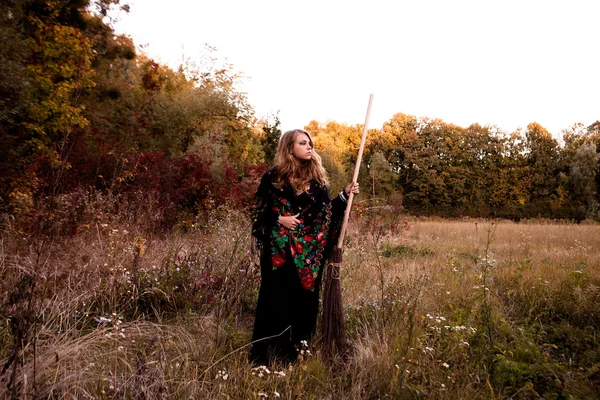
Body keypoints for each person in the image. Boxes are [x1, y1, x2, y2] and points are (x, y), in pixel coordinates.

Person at [249, 128, 359, 365]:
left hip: (308, 258)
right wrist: (280, 220)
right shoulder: (272, 179)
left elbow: (324, 214)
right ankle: (267, 356)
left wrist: (344, 195)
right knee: (274, 300)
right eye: (303, 143)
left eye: (310, 143)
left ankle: (294, 354)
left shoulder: (317, 184)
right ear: (290, 148)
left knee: (302, 301)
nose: (309, 146)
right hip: (278, 254)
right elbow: (257, 211)